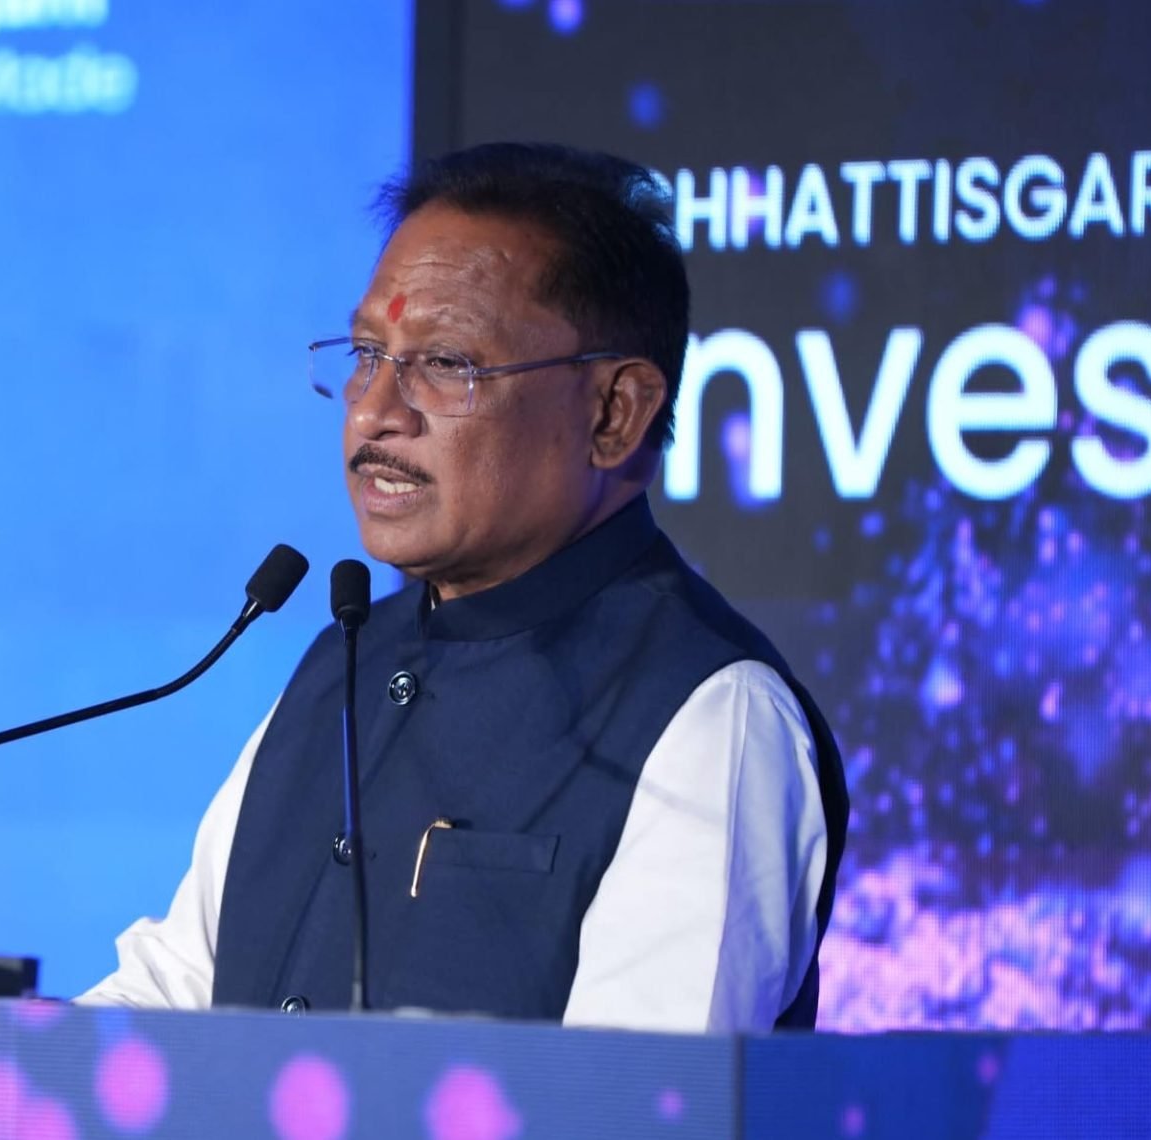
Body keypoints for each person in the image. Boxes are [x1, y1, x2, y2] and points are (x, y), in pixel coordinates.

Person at [79, 142, 849, 1032]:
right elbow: (174, 994)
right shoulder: (341, 664)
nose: (374, 412)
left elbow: (635, 1095)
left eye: (446, 364)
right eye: (368, 353)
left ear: (614, 413)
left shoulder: (712, 717)